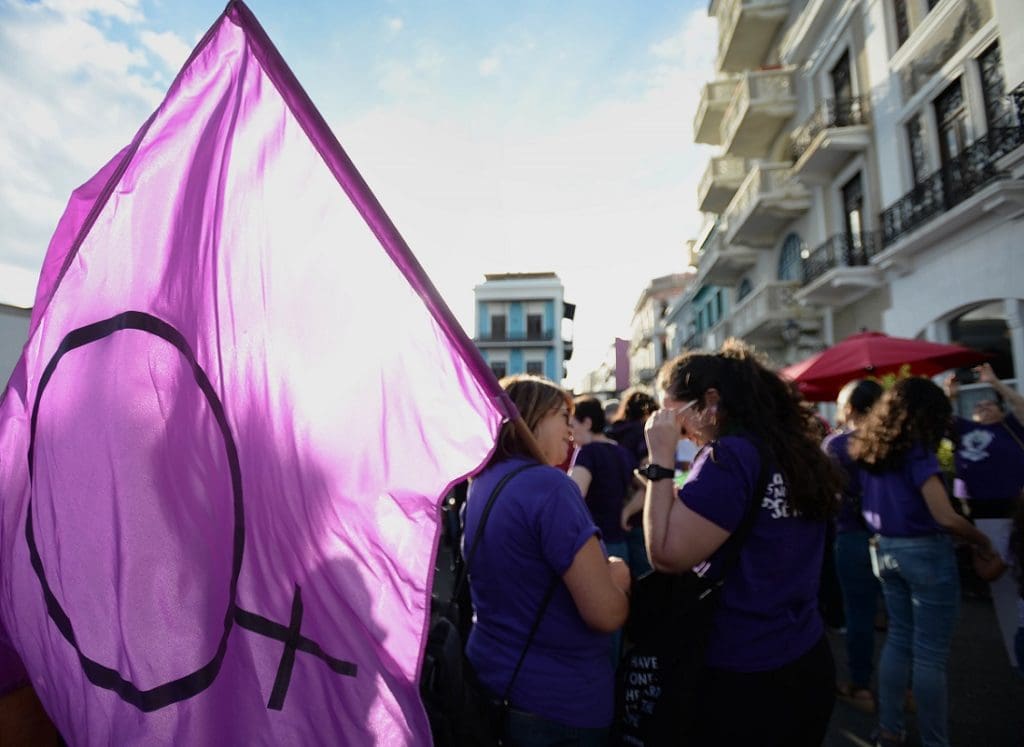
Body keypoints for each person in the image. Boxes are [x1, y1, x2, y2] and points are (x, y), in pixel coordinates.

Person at [642, 340, 841, 745]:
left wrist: (660, 458)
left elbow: (665, 554)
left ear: (710, 402)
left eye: (675, 418)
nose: (679, 433)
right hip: (804, 652)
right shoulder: (792, 450)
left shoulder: (729, 457)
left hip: (746, 669)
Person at [464, 374, 631, 746]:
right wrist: (618, 577)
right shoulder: (550, 487)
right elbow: (605, 613)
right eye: (562, 415)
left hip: (491, 680)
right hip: (559, 703)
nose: (571, 429)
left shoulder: (483, 481)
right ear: (531, 417)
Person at [851, 377, 997, 747]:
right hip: (924, 551)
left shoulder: (871, 450)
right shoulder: (916, 452)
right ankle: (935, 741)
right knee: (930, 655)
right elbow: (945, 516)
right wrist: (982, 541)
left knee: (899, 640)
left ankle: (889, 730)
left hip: (884, 550)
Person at [945, 363, 1024, 668]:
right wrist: (949, 396)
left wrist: (996, 383)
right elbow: (939, 422)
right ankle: (1012, 647)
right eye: (978, 403)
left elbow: (1020, 407)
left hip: (1013, 510)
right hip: (981, 514)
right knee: (998, 580)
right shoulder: (964, 428)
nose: (984, 405)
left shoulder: (1010, 427)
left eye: (989, 402)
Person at [823, 378, 884, 713]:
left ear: (848, 407)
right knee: (902, 623)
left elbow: (825, 494)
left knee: (858, 616)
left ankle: (861, 686)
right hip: (892, 535)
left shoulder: (835, 444)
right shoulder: (893, 440)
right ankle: (905, 689)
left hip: (850, 536)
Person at [605, 388, 659, 577]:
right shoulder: (643, 434)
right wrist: (627, 513)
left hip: (609, 517)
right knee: (645, 575)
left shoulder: (610, 433)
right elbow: (648, 480)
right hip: (637, 515)